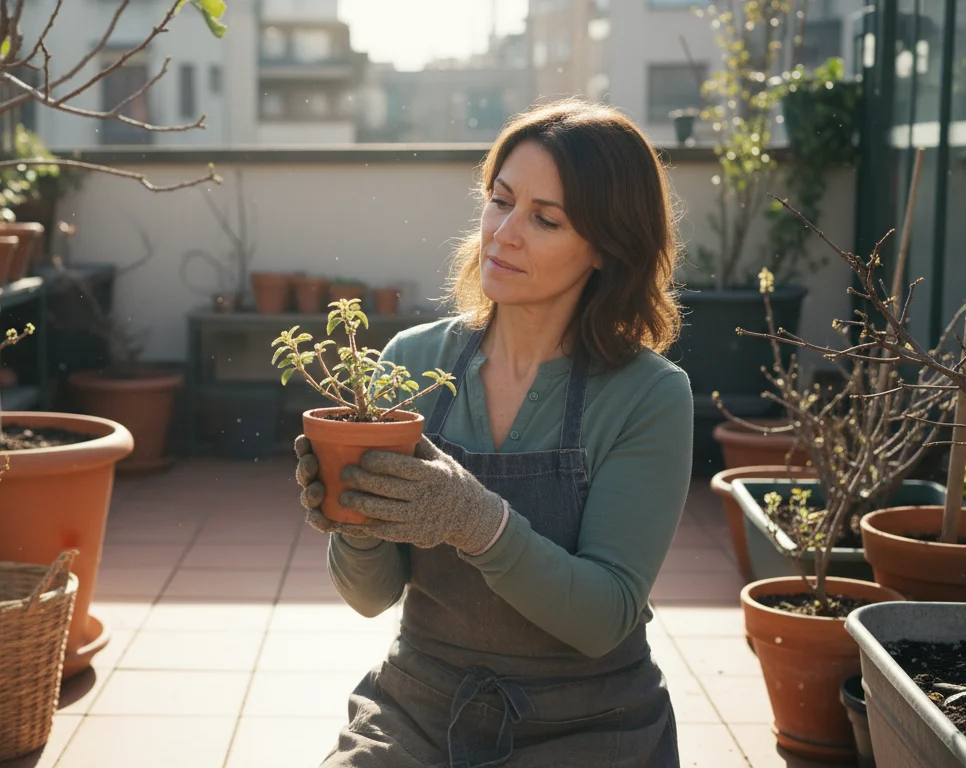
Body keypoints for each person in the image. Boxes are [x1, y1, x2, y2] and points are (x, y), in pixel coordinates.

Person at [294, 99, 694, 768]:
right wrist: (356, 516)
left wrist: (475, 519)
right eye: (500, 201)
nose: (504, 233)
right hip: (419, 705)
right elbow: (369, 598)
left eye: (545, 219)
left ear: (605, 246)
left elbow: (603, 617)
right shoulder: (411, 362)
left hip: (590, 719)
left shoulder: (648, 395)